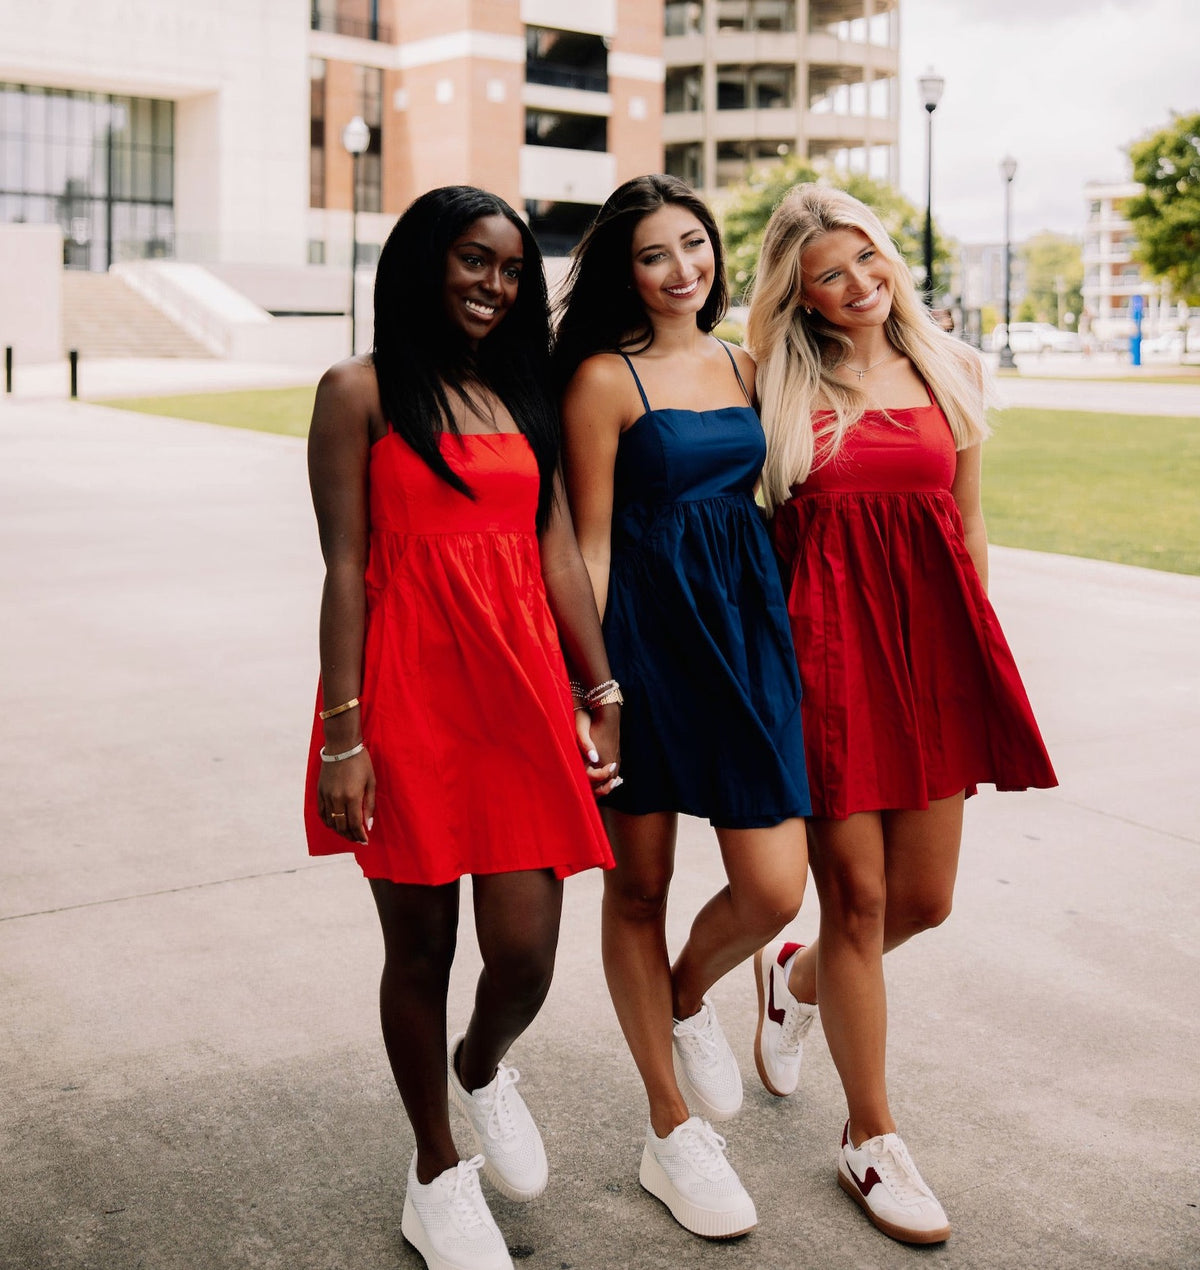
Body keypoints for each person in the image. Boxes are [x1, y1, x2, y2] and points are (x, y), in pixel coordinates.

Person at [304, 185, 621, 1270]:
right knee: (421, 946)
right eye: (475, 261)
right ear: (426, 262)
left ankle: (482, 1065)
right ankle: (436, 1170)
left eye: (512, 270)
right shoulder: (361, 391)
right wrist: (344, 738)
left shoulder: (523, 395)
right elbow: (346, 567)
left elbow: (561, 555)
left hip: (521, 693)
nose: (495, 284)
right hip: (404, 700)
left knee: (526, 948)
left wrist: (602, 689)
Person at [746, 184, 1057, 1246]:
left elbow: (967, 529)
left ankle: (794, 973)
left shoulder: (954, 370)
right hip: (822, 660)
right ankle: (870, 1137)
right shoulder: (776, 385)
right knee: (864, 901)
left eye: (868, 258)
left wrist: (978, 658)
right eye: (831, 273)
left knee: (924, 901)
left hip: (929, 655)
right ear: (803, 294)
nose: (861, 283)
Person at [553, 174, 812, 1240]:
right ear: (627, 267)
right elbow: (592, 541)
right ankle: (670, 1129)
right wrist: (596, 688)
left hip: (745, 636)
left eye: (695, 245)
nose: (681, 269)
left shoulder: (749, 362)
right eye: (655, 253)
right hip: (649, 645)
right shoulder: (605, 380)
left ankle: (690, 997)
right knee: (637, 888)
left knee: (773, 889)